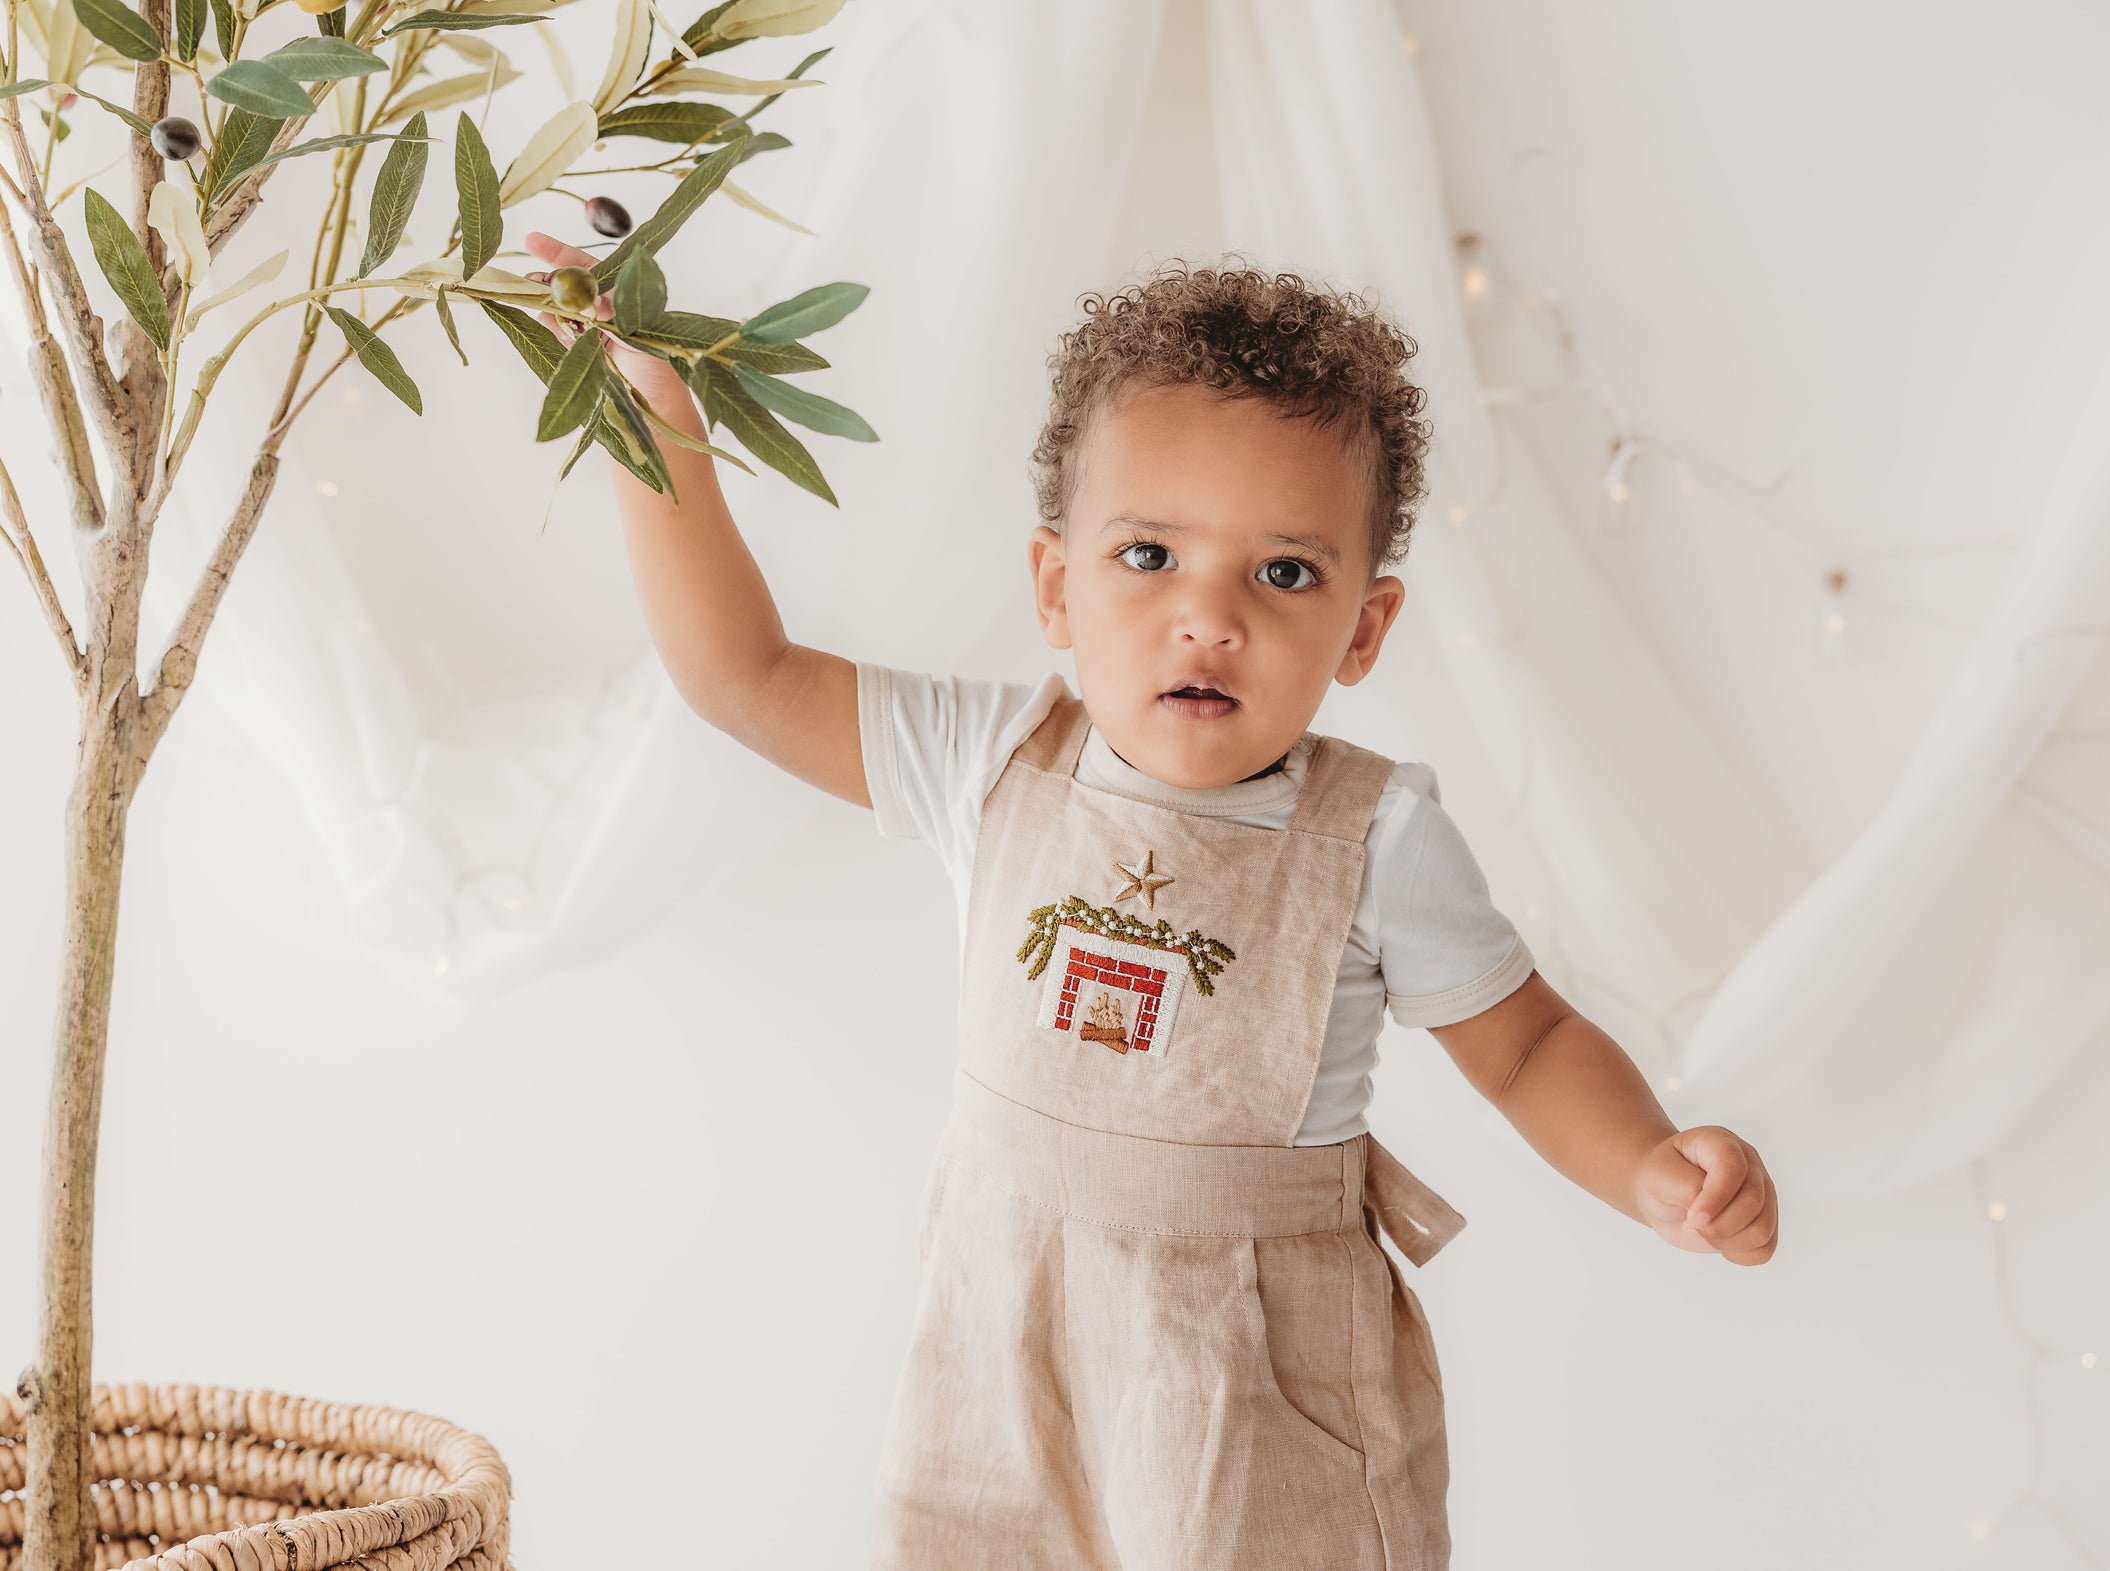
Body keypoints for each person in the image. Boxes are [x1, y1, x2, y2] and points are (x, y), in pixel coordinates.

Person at [522, 233, 1780, 1570]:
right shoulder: (988, 762)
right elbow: (741, 674)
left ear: (1364, 625)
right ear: (1057, 583)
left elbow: (1524, 1045)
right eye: (1148, 556)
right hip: (1000, 1380)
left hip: (1254, 1404)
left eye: (1284, 572)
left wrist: (1646, 1159)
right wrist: (649, 407)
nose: (1209, 617)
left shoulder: (1376, 836)